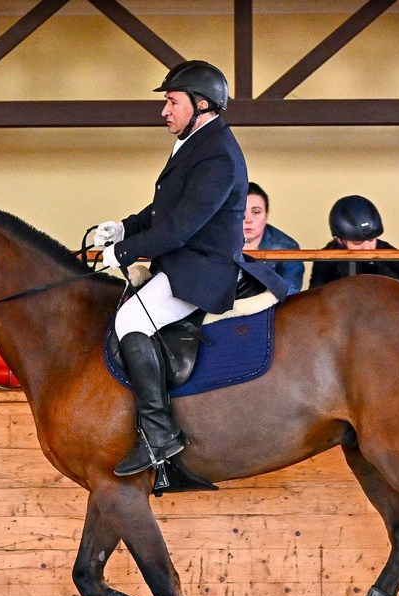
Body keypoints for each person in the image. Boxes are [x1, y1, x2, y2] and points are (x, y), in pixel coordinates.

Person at [94, 60, 289, 478]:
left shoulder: (217, 154)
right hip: (182, 261)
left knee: (130, 321)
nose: (164, 111)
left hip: (203, 269)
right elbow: (165, 208)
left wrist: (125, 252)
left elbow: (180, 227)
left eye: (172, 101)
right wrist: (125, 227)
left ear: (201, 104)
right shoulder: (197, 142)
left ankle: (159, 434)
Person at [309, 195, 399, 290]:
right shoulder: (326, 261)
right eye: (357, 243)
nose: (367, 248)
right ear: (339, 240)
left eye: (371, 240)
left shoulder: (393, 257)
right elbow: (316, 298)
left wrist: (377, 267)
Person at [242, 182, 304, 295]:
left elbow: (290, 292)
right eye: (241, 212)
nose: (248, 219)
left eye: (256, 212)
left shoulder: (286, 247)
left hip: (272, 305)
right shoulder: (215, 243)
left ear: (266, 216)